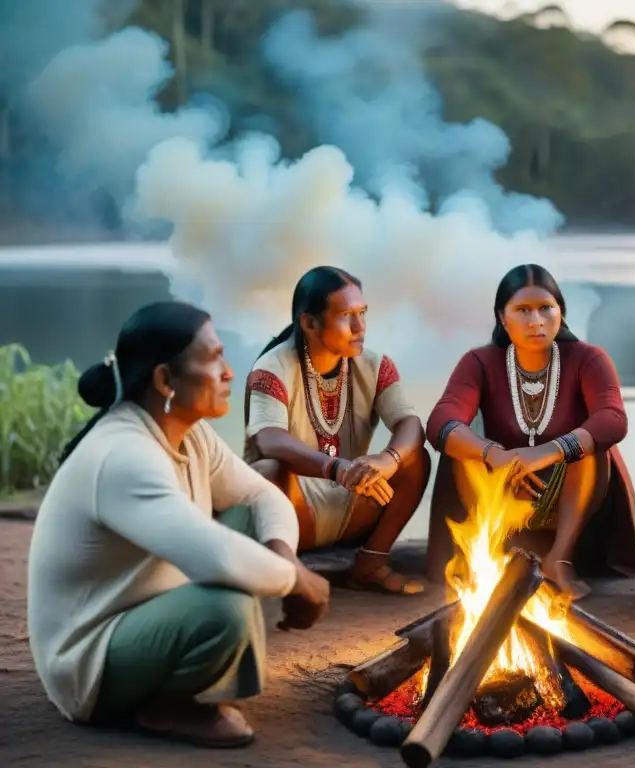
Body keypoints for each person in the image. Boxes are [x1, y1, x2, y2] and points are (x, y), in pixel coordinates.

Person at [27, 301, 331, 749]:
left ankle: (184, 670)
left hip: (146, 606)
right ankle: (166, 706)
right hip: (88, 660)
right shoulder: (123, 455)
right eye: (213, 360)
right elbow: (217, 554)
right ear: (165, 380)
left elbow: (259, 495)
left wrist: (282, 554)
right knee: (225, 611)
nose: (229, 373)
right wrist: (296, 580)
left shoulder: (187, 431)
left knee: (251, 513)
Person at [425, 263, 635, 600]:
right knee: (461, 444)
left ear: (561, 312)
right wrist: (496, 456)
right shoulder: (480, 361)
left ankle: (560, 559)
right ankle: (487, 556)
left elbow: (613, 419)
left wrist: (545, 453)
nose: (536, 320)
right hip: (501, 488)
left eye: (546, 309)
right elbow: (440, 421)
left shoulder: (588, 358)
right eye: (522, 310)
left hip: (572, 496)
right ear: (502, 317)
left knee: (591, 446)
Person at [243, 266, 430, 596]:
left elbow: (409, 423)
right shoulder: (271, 367)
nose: (360, 327)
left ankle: (369, 565)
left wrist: (388, 459)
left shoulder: (375, 365)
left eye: (363, 314)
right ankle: (289, 576)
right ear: (309, 323)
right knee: (268, 472)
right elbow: (269, 439)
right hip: (295, 513)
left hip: (355, 500)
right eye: (346, 316)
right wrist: (335, 468)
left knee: (416, 459)